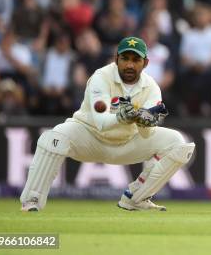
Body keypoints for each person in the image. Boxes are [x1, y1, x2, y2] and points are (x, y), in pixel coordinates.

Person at [20, 36, 195, 212]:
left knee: (177, 143)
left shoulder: (151, 87)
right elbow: (101, 122)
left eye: (136, 60)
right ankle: (32, 200)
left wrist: (145, 121)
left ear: (146, 63)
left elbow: (146, 134)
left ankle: (136, 199)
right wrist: (122, 117)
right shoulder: (101, 77)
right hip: (89, 136)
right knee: (53, 137)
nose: (129, 65)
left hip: (128, 143)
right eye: (125, 58)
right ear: (116, 58)